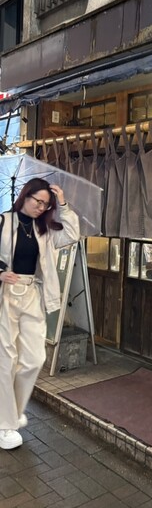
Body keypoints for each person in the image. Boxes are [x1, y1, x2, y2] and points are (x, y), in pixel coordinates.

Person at [0, 178, 80, 450]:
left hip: (32, 293)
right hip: (6, 294)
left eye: (46, 204)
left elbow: (72, 235)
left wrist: (63, 204)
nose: (41, 207)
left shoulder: (43, 230)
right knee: (7, 359)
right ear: (26, 196)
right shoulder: (3, 221)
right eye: (38, 201)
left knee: (35, 358)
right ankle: (5, 424)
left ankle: (11, 411)